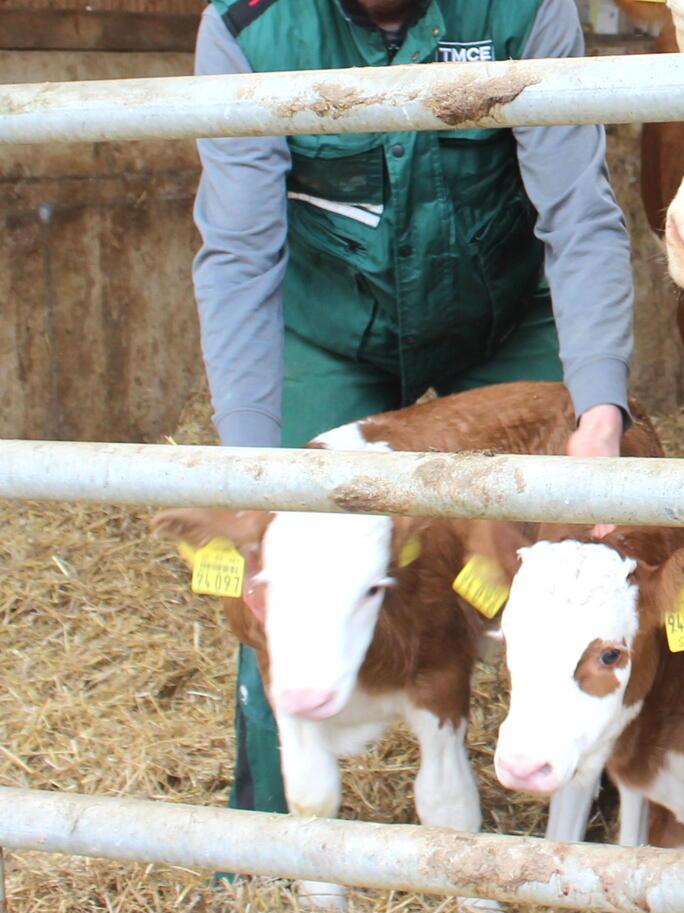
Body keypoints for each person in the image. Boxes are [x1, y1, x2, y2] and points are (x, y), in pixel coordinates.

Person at [191, 0, 636, 824]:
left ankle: (597, 795)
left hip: (507, 310)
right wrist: (249, 468)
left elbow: (576, 211)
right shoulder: (250, 27)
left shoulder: (527, 10)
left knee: (580, 549)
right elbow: (243, 249)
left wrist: (601, 407)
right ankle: (266, 825)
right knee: (281, 555)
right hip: (330, 325)